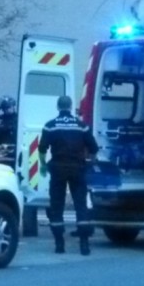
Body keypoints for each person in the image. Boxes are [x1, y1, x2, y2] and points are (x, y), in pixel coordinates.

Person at [38, 95, 99, 256]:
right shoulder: (81, 126)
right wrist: (89, 163)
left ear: (58, 107)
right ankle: (84, 245)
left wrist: (43, 165)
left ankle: (59, 244)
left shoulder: (50, 126)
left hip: (57, 169)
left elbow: (42, 149)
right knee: (81, 205)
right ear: (71, 106)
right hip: (78, 168)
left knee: (57, 205)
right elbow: (94, 148)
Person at [0, 95, 18, 166]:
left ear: (13, 106)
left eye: (8, 107)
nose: (7, 110)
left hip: (15, 151)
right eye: (4, 108)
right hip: (0, 152)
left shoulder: (19, 119)